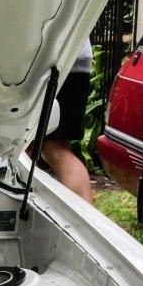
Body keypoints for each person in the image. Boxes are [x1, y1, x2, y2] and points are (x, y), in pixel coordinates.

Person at [39, 39, 94, 203]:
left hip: (48, 61)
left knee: (52, 147)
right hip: (77, 60)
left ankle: (82, 211)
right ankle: (84, 211)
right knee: (53, 146)